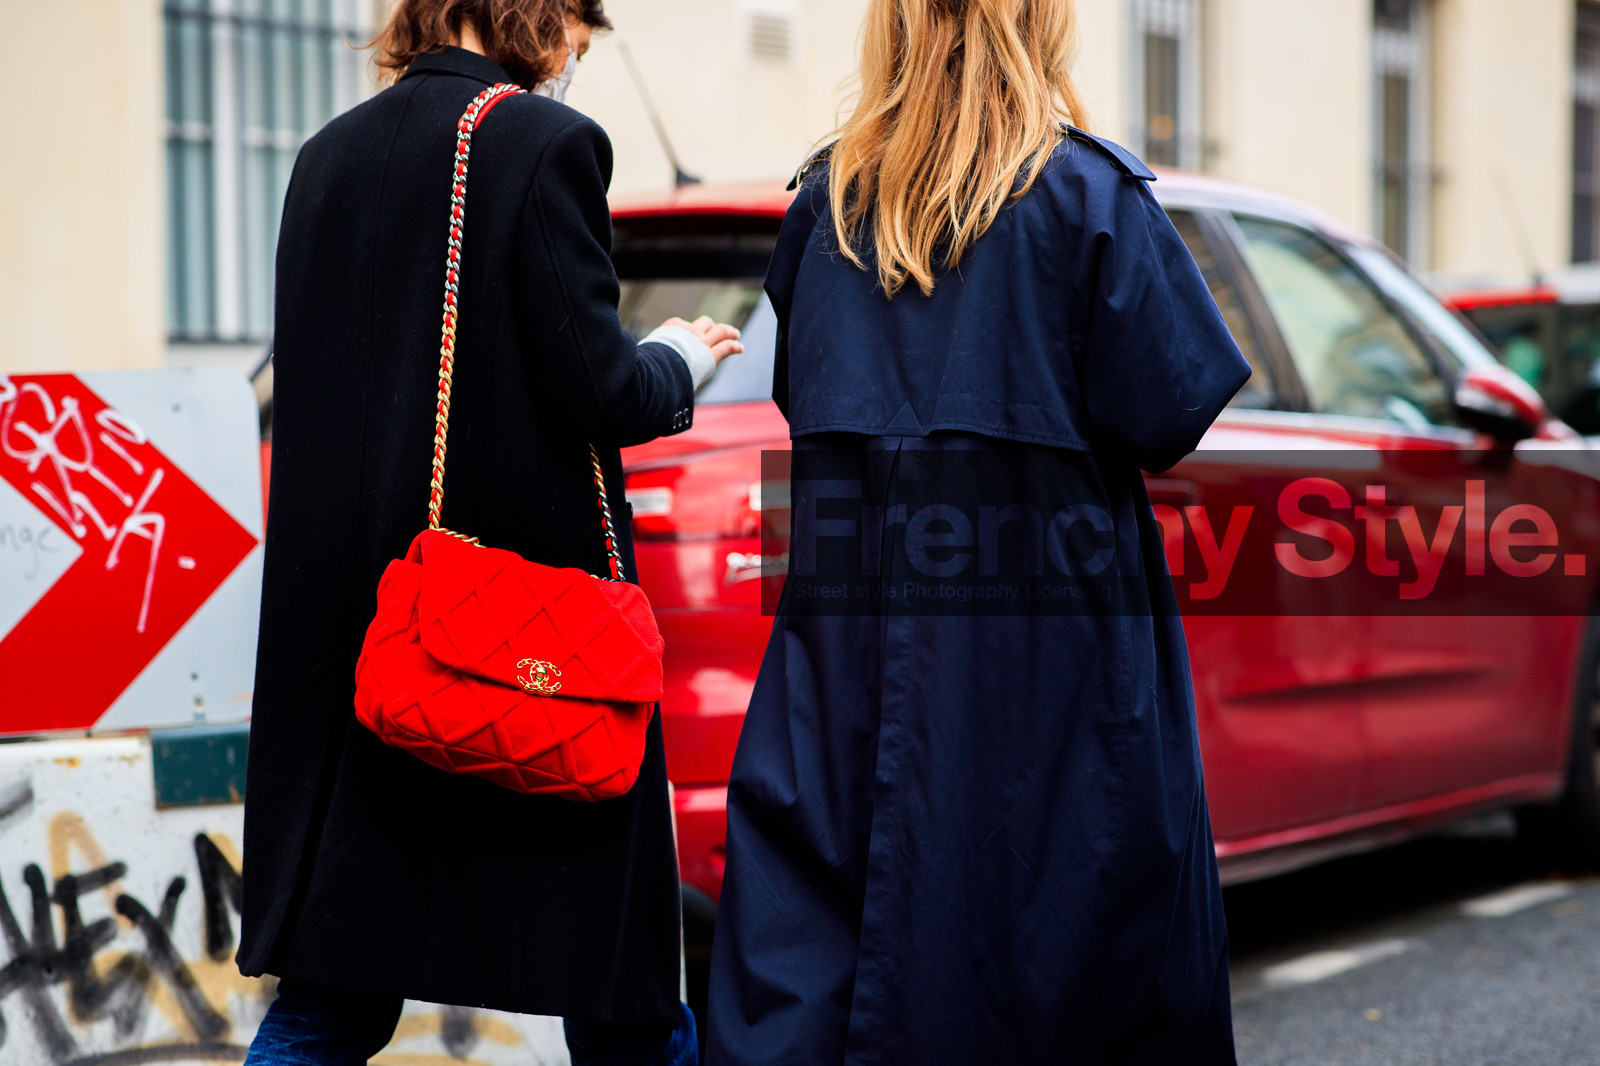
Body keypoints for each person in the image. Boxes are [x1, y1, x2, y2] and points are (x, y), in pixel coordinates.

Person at [705, 0, 1251, 1063]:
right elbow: (1170, 411)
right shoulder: (1092, 199)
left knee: (825, 952)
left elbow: (801, 393)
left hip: (842, 677)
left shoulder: (825, 209)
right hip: (1057, 679)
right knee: (1069, 962)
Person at [238, 1, 741, 1063]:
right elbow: (598, 386)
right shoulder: (540, 143)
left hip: (370, 666)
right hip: (523, 662)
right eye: (570, 24)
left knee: (333, 999)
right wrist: (679, 355)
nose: (571, 53)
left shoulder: (325, 156)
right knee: (622, 1003)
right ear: (525, 11)